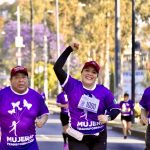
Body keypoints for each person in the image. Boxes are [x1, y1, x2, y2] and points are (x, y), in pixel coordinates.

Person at [53, 43, 120, 150]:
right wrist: (69, 49)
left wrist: (108, 117)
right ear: (82, 72)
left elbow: (115, 109)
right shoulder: (72, 85)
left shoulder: (103, 91)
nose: (90, 74)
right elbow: (57, 68)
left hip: (99, 137)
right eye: (87, 70)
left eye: (94, 72)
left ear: (97, 76)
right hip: (77, 137)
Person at [0, 66, 49, 150]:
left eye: (23, 77)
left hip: (30, 146)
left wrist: (42, 120)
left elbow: (45, 113)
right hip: (6, 147)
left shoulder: (36, 96)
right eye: (16, 77)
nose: (21, 80)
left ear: (27, 79)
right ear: (10, 80)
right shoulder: (2, 95)